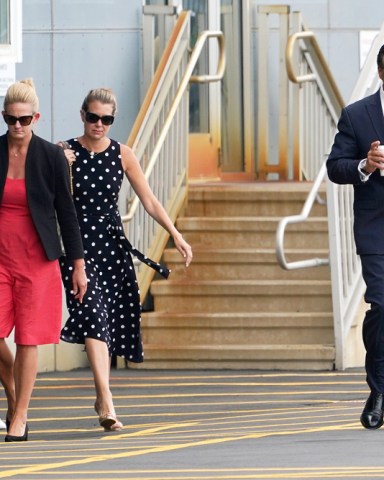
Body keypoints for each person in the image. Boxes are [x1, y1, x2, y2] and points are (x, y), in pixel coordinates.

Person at [59, 87, 192, 432]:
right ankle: (105, 399)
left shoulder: (122, 154)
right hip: (76, 249)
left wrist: (175, 234)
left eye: (106, 119)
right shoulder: (63, 152)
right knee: (91, 316)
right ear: (82, 115)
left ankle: (103, 396)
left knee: (102, 322)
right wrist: (59, 165)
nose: (99, 124)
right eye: (93, 117)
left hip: (112, 248)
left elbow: (148, 200)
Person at [0, 79, 87, 442]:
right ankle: (13, 392)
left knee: (29, 339)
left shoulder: (51, 157)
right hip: (1, 256)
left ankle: (20, 416)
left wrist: (78, 265)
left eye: (23, 120)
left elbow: (66, 213)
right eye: (9, 120)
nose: (16, 127)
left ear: (36, 117)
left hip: (37, 259)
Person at [327, 44, 384, 430]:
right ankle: (379, 390)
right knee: (382, 306)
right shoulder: (357, 114)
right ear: (381, 72)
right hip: (376, 229)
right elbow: (335, 167)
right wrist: (364, 164)